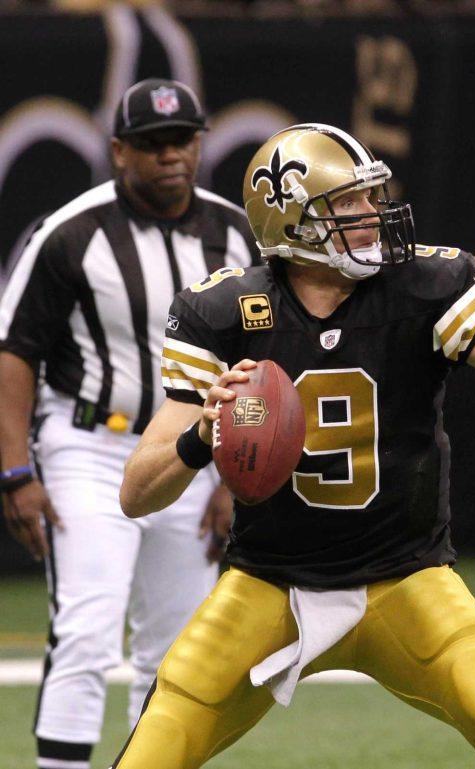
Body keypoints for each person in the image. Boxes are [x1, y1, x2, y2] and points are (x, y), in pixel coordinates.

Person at [110, 123, 475, 769]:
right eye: (348, 204)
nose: (371, 215)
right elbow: (137, 493)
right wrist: (202, 436)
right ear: (290, 222)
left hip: (406, 577)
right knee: (153, 752)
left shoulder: (422, 283)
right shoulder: (224, 310)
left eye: (370, 199)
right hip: (269, 584)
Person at [0, 78, 253, 769]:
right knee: (85, 630)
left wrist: (237, 475)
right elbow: (14, 352)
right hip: (91, 444)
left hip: (190, 454)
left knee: (178, 649)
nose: (171, 155)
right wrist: (15, 470)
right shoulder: (70, 232)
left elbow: (258, 360)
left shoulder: (234, 232)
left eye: (183, 139)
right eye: (152, 143)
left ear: (201, 142)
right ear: (119, 151)